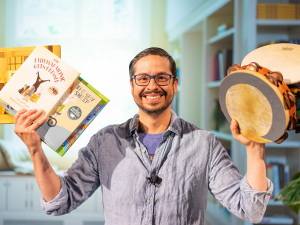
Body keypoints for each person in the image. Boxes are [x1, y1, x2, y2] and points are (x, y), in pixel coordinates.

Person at [13, 48, 272, 225]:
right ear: (131, 85)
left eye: (161, 77)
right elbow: (61, 200)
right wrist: (36, 150)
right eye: (142, 78)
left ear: (175, 84)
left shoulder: (204, 143)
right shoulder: (104, 142)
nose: (152, 86)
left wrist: (255, 150)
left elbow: (250, 209)